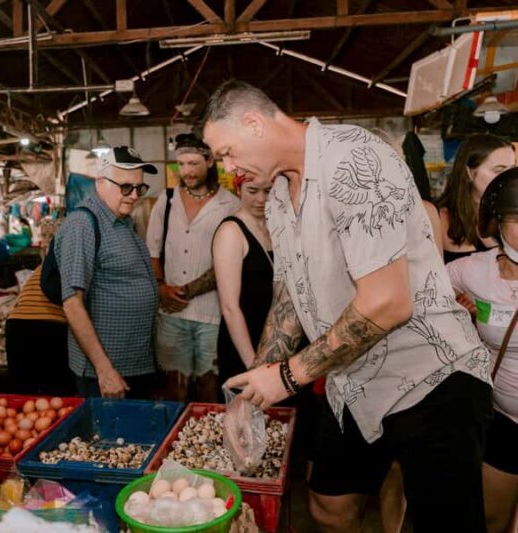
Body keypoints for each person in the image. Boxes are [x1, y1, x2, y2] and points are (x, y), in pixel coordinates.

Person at [203, 80, 492, 533]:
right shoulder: (278, 195)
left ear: (254, 123)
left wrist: (286, 376)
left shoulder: (352, 158)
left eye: (226, 152)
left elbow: (388, 302)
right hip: (356, 382)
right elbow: (289, 297)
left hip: (431, 379)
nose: (228, 168)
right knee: (329, 507)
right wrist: (254, 390)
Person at [447, 167, 518, 533]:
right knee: (491, 519)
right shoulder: (473, 272)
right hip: (504, 423)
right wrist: (456, 314)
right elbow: (421, 293)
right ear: (495, 223)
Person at [55, 146, 158, 399]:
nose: (134, 195)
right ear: (101, 182)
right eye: (126, 187)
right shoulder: (83, 224)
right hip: (106, 372)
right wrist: (105, 370)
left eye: (139, 188)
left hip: (134, 363)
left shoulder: (122, 222)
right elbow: (72, 304)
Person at [146, 133, 240, 402]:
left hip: (212, 316)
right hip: (171, 315)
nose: (186, 171)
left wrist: (188, 290)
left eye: (193, 163)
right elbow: (152, 253)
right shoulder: (166, 200)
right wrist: (161, 287)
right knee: (173, 388)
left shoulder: (230, 206)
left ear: (210, 161)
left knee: (210, 388)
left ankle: (206, 441)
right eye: (182, 164)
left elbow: (232, 262)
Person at [212, 172, 272, 386]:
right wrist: (252, 366)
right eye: (252, 191)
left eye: (268, 191)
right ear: (238, 190)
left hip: (274, 341)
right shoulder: (231, 231)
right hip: (244, 341)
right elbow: (229, 307)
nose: (261, 199)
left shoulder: (275, 226)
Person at [436, 134, 515, 264]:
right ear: (469, 173)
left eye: (511, 170)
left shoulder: (511, 214)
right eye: (499, 171)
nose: (507, 178)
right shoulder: (438, 218)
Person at [5, 265, 74, 396]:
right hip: (50, 324)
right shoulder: (74, 262)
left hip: (16, 323)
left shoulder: (44, 267)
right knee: (57, 396)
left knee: (23, 395)